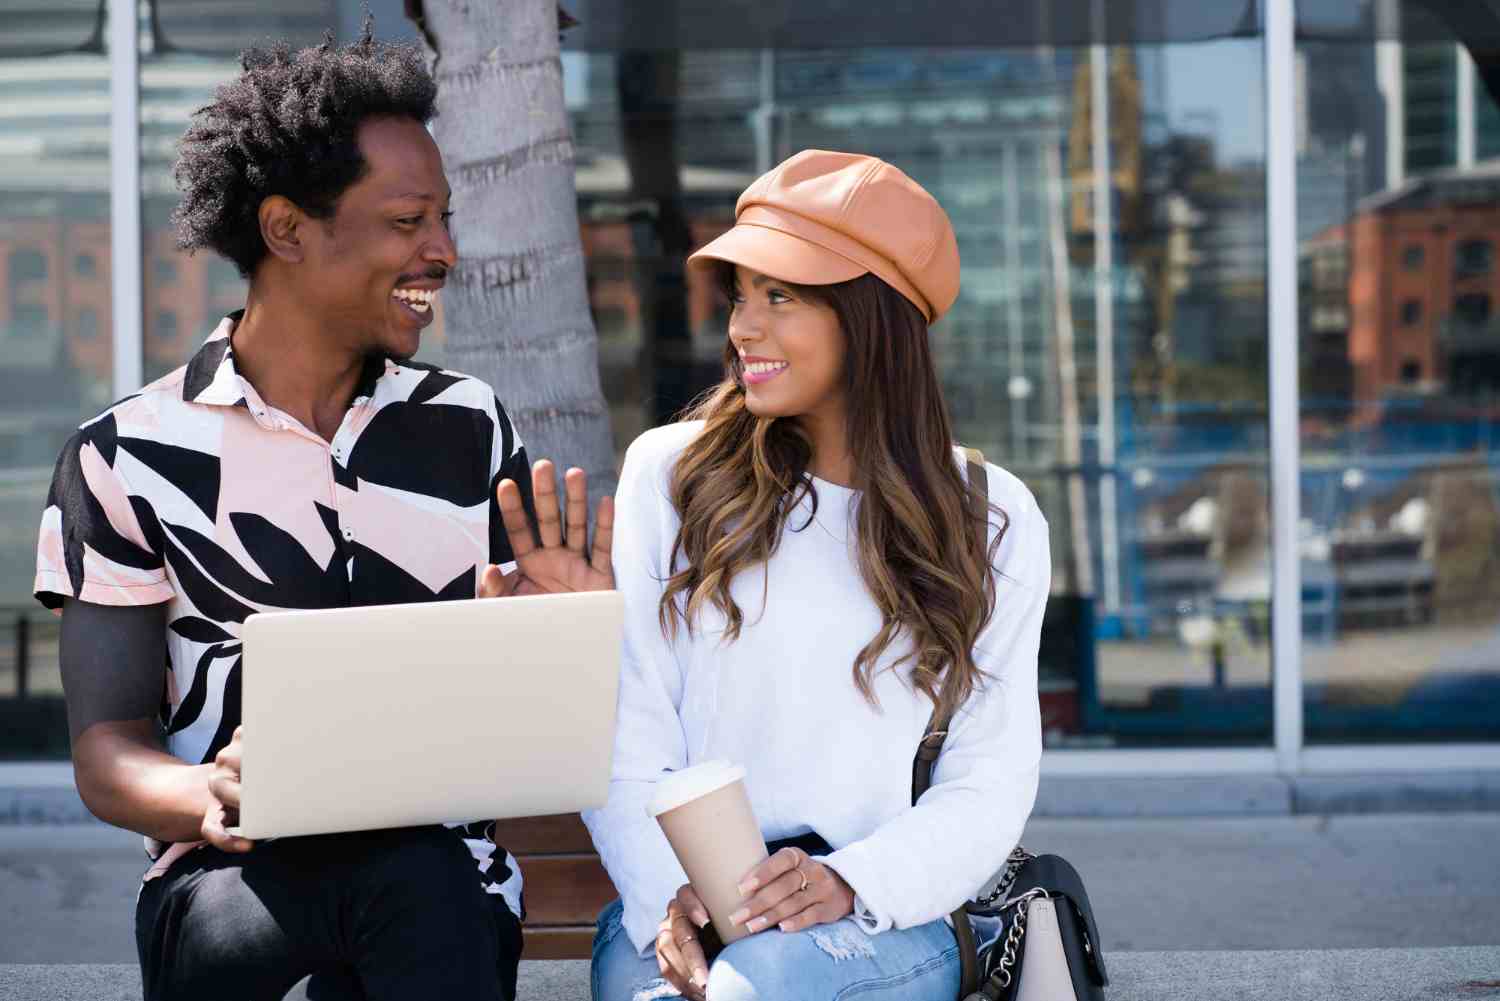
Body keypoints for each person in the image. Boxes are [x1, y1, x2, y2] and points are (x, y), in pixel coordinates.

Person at [33, 26, 612, 1001]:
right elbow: (106, 745)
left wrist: (575, 625)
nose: (443, 250)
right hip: (227, 873)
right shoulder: (126, 454)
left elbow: (546, 716)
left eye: (444, 218)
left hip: (440, 875)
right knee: (243, 927)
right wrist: (207, 793)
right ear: (289, 230)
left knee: (419, 886)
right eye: (406, 221)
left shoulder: (470, 428)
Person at [582, 149, 1050, 1001]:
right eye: (741, 295)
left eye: (782, 296)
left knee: (754, 989)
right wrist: (675, 897)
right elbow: (627, 726)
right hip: (674, 905)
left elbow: (989, 778)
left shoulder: (992, 519)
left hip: (877, 915)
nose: (741, 328)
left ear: (873, 317)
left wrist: (850, 883)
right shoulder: (671, 474)